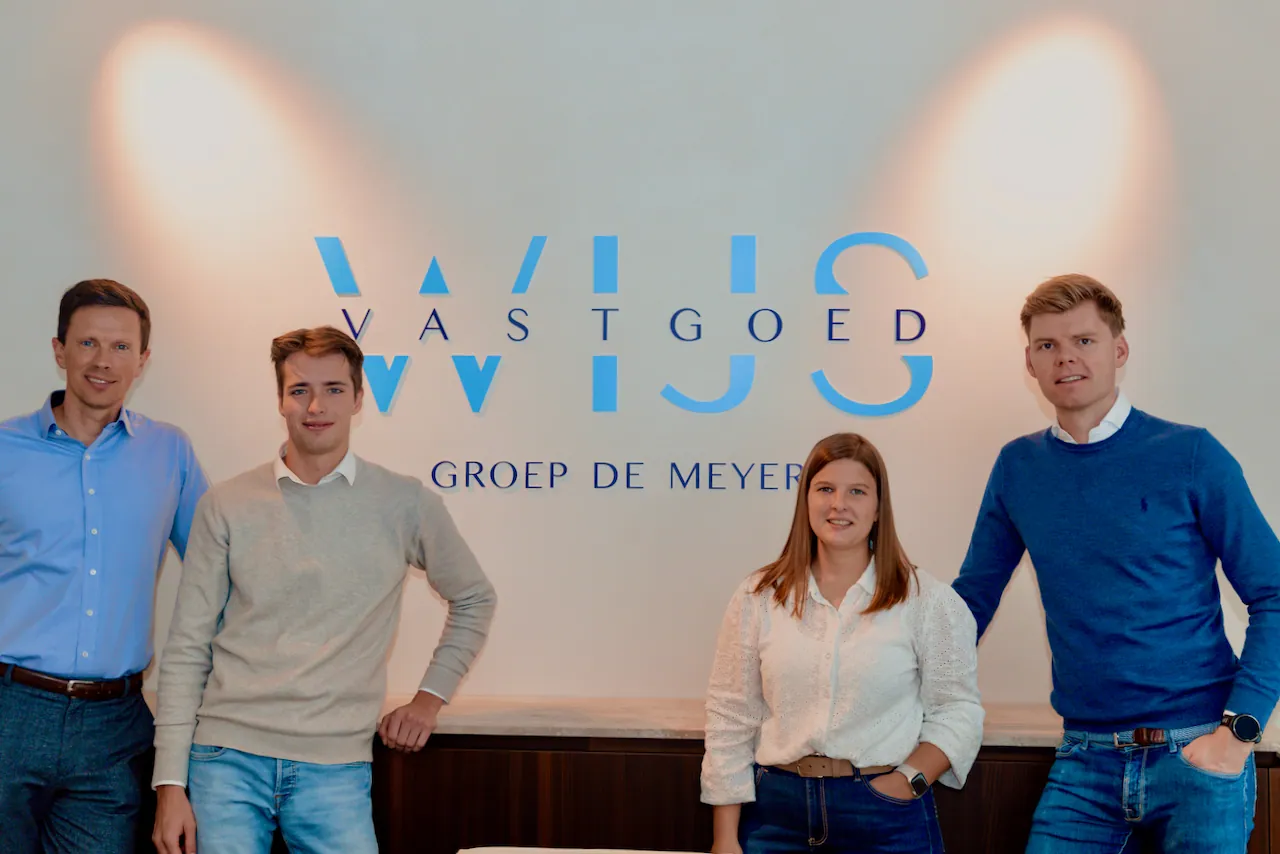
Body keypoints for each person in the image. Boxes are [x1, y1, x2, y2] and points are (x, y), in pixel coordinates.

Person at [952, 273, 1280, 853]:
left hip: (1198, 750)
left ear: (1119, 350)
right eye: (1047, 345)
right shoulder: (1018, 468)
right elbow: (970, 602)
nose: (1066, 357)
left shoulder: (1191, 453)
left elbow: (1273, 592)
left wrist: (1240, 731)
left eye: (1084, 340)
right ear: (1030, 363)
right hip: (1084, 758)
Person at [150, 325, 497, 854]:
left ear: (358, 398)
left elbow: (474, 598)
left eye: (334, 388)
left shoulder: (404, 502)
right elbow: (187, 647)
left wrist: (429, 699)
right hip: (224, 760)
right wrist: (170, 784)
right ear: (280, 400)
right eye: (299, 390)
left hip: (335, 766)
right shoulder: (227, 504)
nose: (316, 406)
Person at [0, 279, 209, 854]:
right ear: (59, 349)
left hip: (115, 727)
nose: (103, 361)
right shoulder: (4, 449)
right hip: (10, 708)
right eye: (88, 343)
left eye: (121, 347)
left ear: (143, 360)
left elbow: (219, 570)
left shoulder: (169, 451)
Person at [701, 432, 984, 853]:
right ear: (806, 500)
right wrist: (725, 838)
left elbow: (957, 710)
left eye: (857, 491)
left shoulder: (927, 599)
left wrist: (906, 782)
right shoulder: (758, 596)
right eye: (825, 489)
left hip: (886, 815)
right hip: (775, 816)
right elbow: (731, 716)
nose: (839, 504)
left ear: (878, 508)